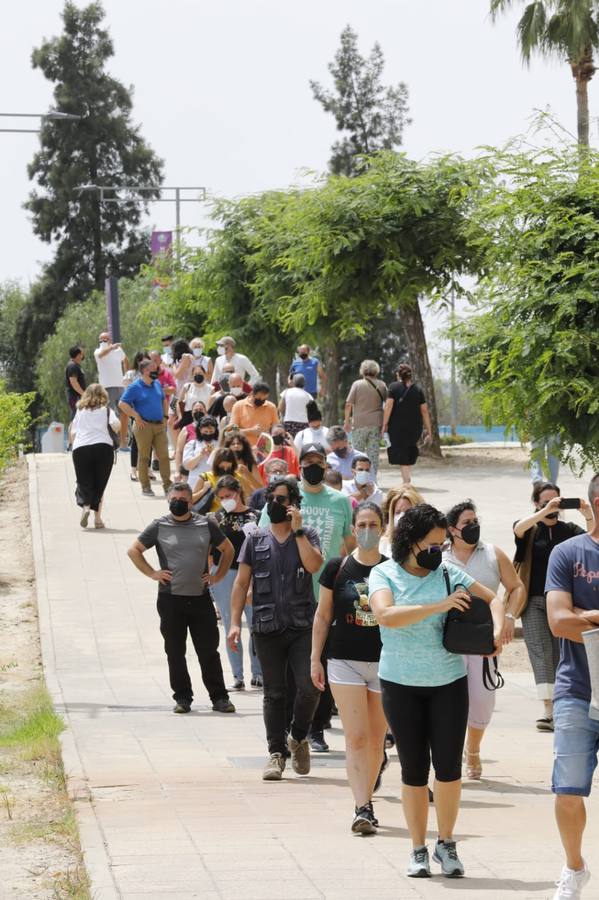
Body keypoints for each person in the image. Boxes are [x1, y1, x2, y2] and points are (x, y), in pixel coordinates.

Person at [369, 504, 504, 879]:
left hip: (448, 682)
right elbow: (386, 615)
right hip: (399, 683)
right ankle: (417, 849)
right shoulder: (384, 573)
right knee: (414, 770)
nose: (437, 551)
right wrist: (439, 606)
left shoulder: (447, 571)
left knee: (448, 770)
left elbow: (494, 598)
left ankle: (446, 843)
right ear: (410, 542)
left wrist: (497, 629)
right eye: (431, 544)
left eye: (441, 544)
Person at [259, 442, 355, 753]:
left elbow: (348, 543)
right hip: (286, 599)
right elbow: (262, 537)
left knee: (319, 669)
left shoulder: (340, 501)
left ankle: (315, 729)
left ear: (326, 466)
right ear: (299, 464)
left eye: (319, 461)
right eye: (307, 461)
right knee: (288, 676)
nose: (313, 466)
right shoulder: (283, 493)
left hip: (325, 596)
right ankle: (288, 731)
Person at [228, 476, 323, 781]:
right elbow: (242, 582)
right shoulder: (255, 539)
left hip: (301, 626)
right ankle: (276, 753)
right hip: (266, 627)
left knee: (309, 687)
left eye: (283, 499)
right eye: (273, 498)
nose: (277, 504)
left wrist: (297, 532)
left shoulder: (306, 535)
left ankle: (297, 736)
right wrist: (233, 623)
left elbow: (313, 566)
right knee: (274, 693)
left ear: (294, 505)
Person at [311, 501, 388, 834]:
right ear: (353, 529)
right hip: (344, 660)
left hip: (387, 662)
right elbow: (324, 614)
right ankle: (362, 806)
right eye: (362, 525)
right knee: (355, 738)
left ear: (383, 528)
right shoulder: (337, 567)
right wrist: (315, 657)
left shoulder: (392, 569)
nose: (367, 531)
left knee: (376, 740)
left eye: (374, 525)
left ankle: (367, 796)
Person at [127, 482, 236, 715]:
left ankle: (220, 697)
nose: (178, 503)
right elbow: (134, 550)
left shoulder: (205, 524)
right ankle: (183, 698)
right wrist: (152, 573)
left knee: (208, 650)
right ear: (168, 500)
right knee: (175, 651)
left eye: (183, 500)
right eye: (174, 499)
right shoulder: (159, 525)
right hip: (170, 600)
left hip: (200, 598)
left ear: (191, 501)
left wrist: (218, 575)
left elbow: (228, 550)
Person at [444, 499, 525, 779]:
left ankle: (474, 749)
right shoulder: (439, 556)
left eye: (475, 521)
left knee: (481, 700)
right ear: (452, 529)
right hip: (448, 640)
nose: (473, 527)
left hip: (484, 640)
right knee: (448, 700)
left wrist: (510, 619)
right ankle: (449, 755)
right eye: (467, 523)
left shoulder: (492, 553)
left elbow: (516, 588)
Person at [547, 473, 599, 900]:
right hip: (577, 689)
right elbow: (558, 621)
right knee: (567, 791)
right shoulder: (568, 553)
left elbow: (573, 619)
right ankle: (574, 867)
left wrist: (587, 613)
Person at [513, 481, 593, 731]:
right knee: (540, 652)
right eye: (546, 501)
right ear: (536, 503)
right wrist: (542, 512)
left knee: (561, 653)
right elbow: (518, 529)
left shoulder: (569, 529)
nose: (553, 506)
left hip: (563, 603)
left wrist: (588, 512)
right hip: (534, 601)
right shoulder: (530, 529)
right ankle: (548, 709)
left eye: (557, 501)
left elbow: (592, 536)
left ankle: (559, 705)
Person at [212, 475, 261, 690]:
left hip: (250, 575)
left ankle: (258, 673)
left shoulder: (255, 516)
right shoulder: (216, 518)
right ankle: (237, 676)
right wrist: (211, 576)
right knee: (231, 626)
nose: (225, 500)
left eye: (228, 495)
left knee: (255, 625)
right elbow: (210, 550)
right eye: (221, 497)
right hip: (225, 575)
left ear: (238, 492)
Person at [119, 359, 172, 496]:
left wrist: (166, 417)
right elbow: (122, 404)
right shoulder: (135, 386)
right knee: (144, 457)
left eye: (156, 368)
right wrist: (135, 416)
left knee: (164, 456)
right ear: (144, 371)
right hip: (144, 426)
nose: (156, 371)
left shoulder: (157, 384)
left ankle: (167, 485)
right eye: (152, 369)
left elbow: (164, 400)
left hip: (159, 425)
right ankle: (145, 486)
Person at [69, 383, 119, 529]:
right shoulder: (107, 410)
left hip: (81, 449)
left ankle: (85, 506)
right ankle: (97, 520)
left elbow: (73, 432)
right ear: (103, 395)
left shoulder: (80, 411)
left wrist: (73, 449)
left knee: (84, 481)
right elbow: (116, 425)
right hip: (103, 448)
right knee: (99, 484)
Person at [382, 363, 432, 484]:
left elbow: (388, 406)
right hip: (415, 427)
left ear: (398, 375)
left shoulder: (393, 387)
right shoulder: (418, 389)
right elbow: (424, 411)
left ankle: (406, 482)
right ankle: (406, 479)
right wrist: (428, 429)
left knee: (403, 454)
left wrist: (384, 424)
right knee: (408, 451)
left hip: (397, 427)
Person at [344, 360, 387, 478]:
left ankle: (358, 478)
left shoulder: (357, 384)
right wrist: (385, 423)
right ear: (376, 371)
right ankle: (372, 479)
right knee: (373, 454)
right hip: (376, 424)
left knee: (357, 452)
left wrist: (346, 421)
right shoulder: (382, 385)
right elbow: (388, 404)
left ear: (363, 371)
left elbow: (348, 404)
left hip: (359, 424)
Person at [94, 332, 129, 450]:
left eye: (106, 339)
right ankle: (109, 442)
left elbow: (125, 360)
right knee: (107, 416)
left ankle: (123, 443)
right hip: (106, 387)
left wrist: (127, 376)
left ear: (110, 339)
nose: (103, 341)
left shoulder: (118, 351)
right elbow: (101, 355)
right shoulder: (98, 351)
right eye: (101, 339)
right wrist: (111, 347)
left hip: (120, 386)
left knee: (124, 414)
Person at [122, 351, 150, 482]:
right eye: (141, 361)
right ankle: (134, 470)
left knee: (149, 440)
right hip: (136, 411)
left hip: (150, 410)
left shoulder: (151, 374)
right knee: (135, 440)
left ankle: (147, 468)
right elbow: (127, 393)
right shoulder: (130, 374)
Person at [229, 382, 279, 448]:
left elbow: (277, 429)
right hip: (243, 449)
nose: (262, 401)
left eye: (264, 399)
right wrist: (251, 431)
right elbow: (230, 431)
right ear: (252, 393)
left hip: (264, 450)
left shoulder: (271, 407)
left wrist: (269, 434)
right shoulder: (238, 406)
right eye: (259, 398)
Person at [380, 485, 425, 556]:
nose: (401, 516)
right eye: (397, 512)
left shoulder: (429, 542)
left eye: (407, 512)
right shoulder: (383, 545)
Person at [191, 448, 238, 514]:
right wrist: (203, 490)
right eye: (222, 467)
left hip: (234, 515)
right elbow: (191, 500)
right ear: (216, 464)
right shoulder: (205, 476)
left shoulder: (237, 476)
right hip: (212, 517)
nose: (225, 470)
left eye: (228, 468)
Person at [182, 415, 220, 490]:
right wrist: (200, 455)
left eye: (211, 431)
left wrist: (212, 455)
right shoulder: (192, 444)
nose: (208, 434)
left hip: (215, 482)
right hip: (195, 482)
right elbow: (187, 466)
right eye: (205, 431)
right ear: (200, 430)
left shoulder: (220, 444)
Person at [223, 432, 264, 497]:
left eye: (239, 443)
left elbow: (261, 489)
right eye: (233, 444)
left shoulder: (251, 465)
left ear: (244, 447)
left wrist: (247, 474)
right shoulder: (223, 464)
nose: (236, 446)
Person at [65, 346, 86, 421]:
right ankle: (72, 432)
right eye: (81, 354)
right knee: (75, 416)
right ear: (78, 355)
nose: (82, 355)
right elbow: (74, 383)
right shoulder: (72, 366)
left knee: (78, 416)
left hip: (78, 396)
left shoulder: (76, 365)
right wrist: (83, 394)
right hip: (75, 396)